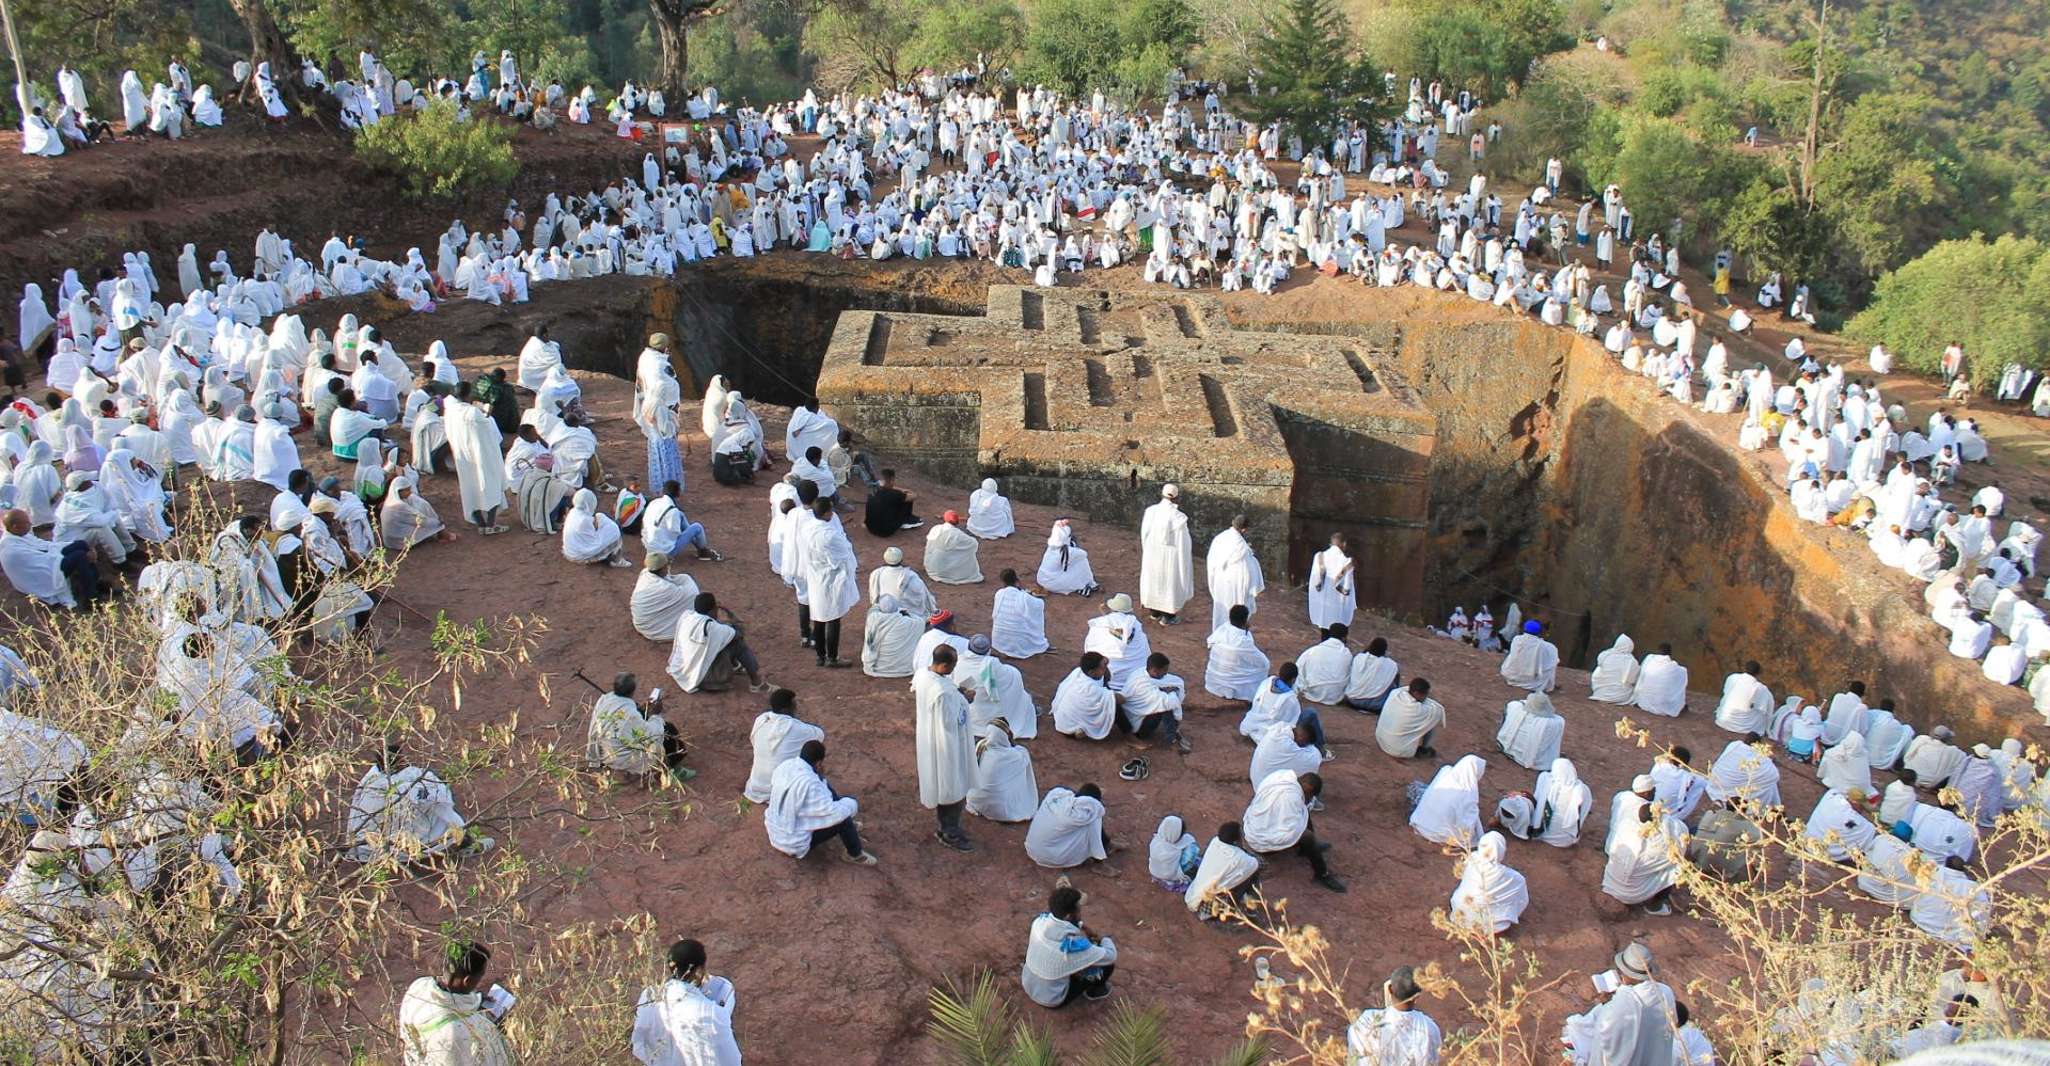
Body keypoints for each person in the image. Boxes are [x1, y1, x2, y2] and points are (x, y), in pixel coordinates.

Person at [397, 942, 513, 1066]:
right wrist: (494, 1026)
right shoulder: (454, 1034)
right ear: (467, 981)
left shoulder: (419, 986)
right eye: (479, 978)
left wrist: (476, 1005)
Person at [630, 939, 743, 1065]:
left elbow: (639, 1044)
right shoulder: (712, 1013)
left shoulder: (649, 995)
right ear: (699, 971)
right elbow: (730, 1061)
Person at [764, 740, 874, 865]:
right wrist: (851, 804)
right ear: (819, 762)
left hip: (775, 833)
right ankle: (854, 854)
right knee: (843, 818)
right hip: (793, 844)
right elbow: (833, 813)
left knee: (823, 785)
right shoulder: (811, 783)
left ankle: (849, 828)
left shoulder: (785, 766)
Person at [916, 645, 978, 851]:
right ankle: (949, 832)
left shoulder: (924, 675)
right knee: (952, 786)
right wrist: (964, 701)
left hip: (930, 738)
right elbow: (949, 722)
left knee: (944, 783)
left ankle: (946, 827)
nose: (954, 668)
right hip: (947, 745)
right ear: (943, 665)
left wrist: (957, 693)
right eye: (952, 665)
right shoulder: (942, 693)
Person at [1242, 769, 1345, 892]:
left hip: (1251, 826)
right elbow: (1292, 828)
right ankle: (1322, 874)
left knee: (1303, 812)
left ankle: (1307, 849)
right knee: (1307, 837)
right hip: (1261, 843)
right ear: (1309, 790)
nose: (1308, 800)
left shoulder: (1280, 776)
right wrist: (1305, 834)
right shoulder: (1292, 797)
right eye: (1310, 797)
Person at [1020, 885, 1117, 1007]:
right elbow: (1111, 955)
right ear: (1069, 916)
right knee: (1106, 965)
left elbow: (1065, 926)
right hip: (1052, 999)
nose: (1080, 912)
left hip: (1028, 983)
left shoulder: (1038, 923)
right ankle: (1095, 991)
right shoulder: (1072, 947)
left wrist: (1082, 926)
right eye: (1078, 910)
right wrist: (1103, 938)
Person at [586, 672, 692, 782]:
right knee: (668, 730)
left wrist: (643, 710)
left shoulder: (604, 700)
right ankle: (673, 769)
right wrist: (656, 714)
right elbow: (651, 735)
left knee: (654, 725)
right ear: (632, 691)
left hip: (604, 751)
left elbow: (622, 719)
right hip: (620, 758)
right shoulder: (631, 715)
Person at [667, 592, 770, 694]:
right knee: (737, 643)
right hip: (704, 680)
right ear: (713, 609)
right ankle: (757, 683)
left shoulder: (687, 616)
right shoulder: (712, 628)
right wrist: (729, 612)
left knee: (723, 638)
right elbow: (740, 632)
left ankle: (735, 666)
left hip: (682, 672)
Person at [799, 498, 860, 667]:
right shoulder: (830, 535)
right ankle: (832, 657)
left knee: (818, 618)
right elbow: (845, 554)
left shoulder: (807, 528)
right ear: (826, 513)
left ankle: (820, 656)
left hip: (815, 576)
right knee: (833, 618)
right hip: (832, 579)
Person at [1346, 965, 1442, 1066]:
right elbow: (1434, 1060)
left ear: (1390, 989)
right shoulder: (1429, 1028)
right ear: (1417, 995)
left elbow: (1355, 1054)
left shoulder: (1367, 1021)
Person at [444, 383, 508, 533]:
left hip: (464, 456)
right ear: (468, 394)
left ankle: (481, 524)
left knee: (470, 488)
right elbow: (489, 432)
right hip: (483, 455)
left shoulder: (451, 411)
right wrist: (488, 415)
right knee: (491, 485)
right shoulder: (473, 413)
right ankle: (490, 525)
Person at [1602, 804, 1688, 915]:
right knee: (1677, 865)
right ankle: (1655, 907)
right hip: (1634, 894)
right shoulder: (1662, 843)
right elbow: (1680, 847)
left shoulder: (1626, 826)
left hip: (1610, 884)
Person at [743, 688, 824, 803]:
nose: (796, 708)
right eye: (794, 704)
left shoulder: (761, 719)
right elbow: (820, 735)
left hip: (756, 786)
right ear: (787, 708)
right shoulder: (797, 728)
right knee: (812, 751)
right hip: (781, 792)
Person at [1449, 831, 1529, 934]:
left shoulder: (1471, 858)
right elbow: (1522, 898)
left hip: (1460, 910)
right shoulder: (1513, 877)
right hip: (1485, 920)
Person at [1138, 484, 1194, 623]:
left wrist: (1148, 550)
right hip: (1171, 556)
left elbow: (1144, 534)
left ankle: (1154, 612)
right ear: (1176, 498)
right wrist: (1184, 562)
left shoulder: (1151, 511)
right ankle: (1168, 616)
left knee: (1154, 580)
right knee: (1169, 582)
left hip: (1153, 552)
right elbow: (1183, 544)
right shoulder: (1179, 518)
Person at [1024, 783, 1113, 869]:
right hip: (1052, 857)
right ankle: (1098, 860)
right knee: (1094, 819)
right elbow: (1098, 810)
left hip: (1033, 849)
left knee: (1089, 817)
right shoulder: (1080, 816)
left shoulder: (1055, 794)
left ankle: (1106, 844)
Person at [967, 718, 1039, 822]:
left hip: (977, 803)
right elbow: (1021, 750)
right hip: (1003, 811)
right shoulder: (1016, 756)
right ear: (1005, 735)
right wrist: (1011, 741)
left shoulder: (980, 747)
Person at [1184, 822, 1261, 918]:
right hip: (1210, 906)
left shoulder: (1215, 841)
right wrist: (1242, 847)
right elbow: (1254, 864)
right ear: (1236, 840)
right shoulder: (1239, 858)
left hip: (1194, 895)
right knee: (1253, 874)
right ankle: (1251, 909)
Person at [1205, 514, 1265, 632]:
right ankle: (1235, 637)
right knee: (1237, 613)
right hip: (1237, 586)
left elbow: (1211, 562)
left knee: (1222, 612)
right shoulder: (1242, 547)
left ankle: (1219, 635)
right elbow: (1250, 570)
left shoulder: (1219, 539)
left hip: (1221, 583)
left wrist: (1213, 582)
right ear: (1244, 529)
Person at [1120, 652, 1190, 752]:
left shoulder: (1140, 672)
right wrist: (1173, 691)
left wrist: (1168, 691)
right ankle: (1171, 739)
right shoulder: (1143, 685)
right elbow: (1170, 702)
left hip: (1136, 718)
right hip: (1137, 728)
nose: (1166, 673)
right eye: (1164, 670)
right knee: (1167, 705)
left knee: (1166, 697)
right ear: (1154, 671)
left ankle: (1173, 733)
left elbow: (1171, 683)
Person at [1204, 603, 1270, 701]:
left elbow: (1209, 642)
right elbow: (1263, 662)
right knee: (1263, 668)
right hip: (1233, 683)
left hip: (1214, 682)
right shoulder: (1243, 642)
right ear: (1245, 620)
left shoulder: (1222, 629)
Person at [1083, 594, 1150, 690]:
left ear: (1111, 608)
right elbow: (1122, 635)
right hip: (1137, 682)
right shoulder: (1135, 624)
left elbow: (1089, 647)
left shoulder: (1100, 624)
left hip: (1107, 681)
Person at [630, 551, 701, 642]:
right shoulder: (665, 588)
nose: (668, 567)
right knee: (691, 592)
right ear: (663, 569)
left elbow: (669, 578)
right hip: (655, 631)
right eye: (666, 566)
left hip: (640, 624)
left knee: (684, 578)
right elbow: (690, 592)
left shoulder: (645, 573)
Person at [1052, 652, 1120, 740]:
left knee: (1106, 692)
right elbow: (1121, 699)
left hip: (1062, 722)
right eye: (1103, 667)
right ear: (1092, 672)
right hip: (1070, 727)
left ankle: (1078, 730)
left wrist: (1104, 662)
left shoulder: (1078, 672)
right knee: (1114, 704)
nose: (1106, 668)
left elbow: (1106, 669)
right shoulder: (1091, 688)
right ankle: (1129, 735)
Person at [1706, 735, 1783, 808]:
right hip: (1729, 794)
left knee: (1765, 781)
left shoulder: (1734, 745)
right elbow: (1774, 776)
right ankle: (1772, 808)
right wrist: (1768, 759)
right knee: (1770, 785)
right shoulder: (1760, 760)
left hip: (1715, 787)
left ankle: (1775, 808)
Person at [1377, 678, 1445, 759]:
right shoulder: (1416, 709)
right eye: (1425, 694)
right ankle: (1424, 748)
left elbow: (1403, 688)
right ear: (1416, 693)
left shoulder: (1395, 693)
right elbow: (1437, 710)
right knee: (1431, 718)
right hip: (1398, 750)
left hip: (1380, 740)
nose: (1426, 697)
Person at [562, 488, 631, 566]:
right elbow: (595, 529)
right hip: (581, 556)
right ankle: (617, 560)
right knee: (614, 530)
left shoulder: (573, 512)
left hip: (570, 552)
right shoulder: (585, 520)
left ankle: (607, 555)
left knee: (600, 517)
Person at [1497, 690, 1564, 770]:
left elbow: (1519, 702)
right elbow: (1558, 719)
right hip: (1529, 760)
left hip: (1504, 746)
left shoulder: (1514, 707)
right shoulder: (1554, 723)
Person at [860, 593, 922, 678]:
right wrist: (906, 613)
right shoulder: (908, 622)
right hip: (902, 669)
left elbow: (873, 608)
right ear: (897, 608)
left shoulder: (872, 618)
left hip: (876, 667)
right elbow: (920, 621)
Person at [990, 569, 1049, 658]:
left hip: (999, 642)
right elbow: (1039, 604)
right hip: (1020, 644)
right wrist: (1030, 595)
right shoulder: (1024, 597)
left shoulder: (999, 594)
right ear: (1017, 580)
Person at [868, 545, 937, 620]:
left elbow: (874, 596)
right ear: (901, 559)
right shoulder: (911, 575)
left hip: (885, 611)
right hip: (908, 615)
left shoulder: (876, 573)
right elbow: (922, 596)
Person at [1307, 532, 1356, 630]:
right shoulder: (1347, 562)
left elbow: (1315, 581)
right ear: (1344, 544)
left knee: (1324, 631)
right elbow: (1347, 588)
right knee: (1337, 630)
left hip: (1322, 604)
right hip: (1338, 607)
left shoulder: (1319, 557)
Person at [1295, 622, 1354, 704]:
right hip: (1336, 696)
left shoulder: (1313, 651)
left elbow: (1298, 668)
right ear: (1344, 638)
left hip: (1313, 693)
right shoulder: (1347, 654)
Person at [1036, 518, 1098, 595]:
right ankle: (1087, 584)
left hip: (1041, 579)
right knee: (1082, 561)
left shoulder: (1051, 547)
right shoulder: (1067, 550)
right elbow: (1084, 554)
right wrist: (1074, 546)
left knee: (1073, 560)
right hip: (1052, 584)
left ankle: (1084, 584)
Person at [924, 509, 983, 584]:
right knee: (966, 552)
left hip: (930, 567)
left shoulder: (935, 528)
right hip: (943, 572)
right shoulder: (957, 534)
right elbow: (974, 544)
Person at [1712, 662, 1773, 734]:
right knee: (1762, 712)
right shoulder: (1760, 688)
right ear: (1759, 673)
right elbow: (1765, 709)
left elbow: (1725, 692)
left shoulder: (1732, 677)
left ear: (1745, 668)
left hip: (1722, 720)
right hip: (1743, 726)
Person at [1344, 637, 1401, 713]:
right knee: (1393, 679)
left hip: (1352, 700)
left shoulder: (1359, 658)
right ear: (1385, 651)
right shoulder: (1391, 665)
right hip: (1376, 706)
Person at [1630, 644, 1689, 716]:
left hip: (1644, 703)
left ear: (1658, 651)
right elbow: (1682, 673)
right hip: (1662, 706)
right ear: (1670, 653)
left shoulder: (1649, 659)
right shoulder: (1673, 667)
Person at [1499, 620, 1558, 691]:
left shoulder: (1516, 639)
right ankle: (1549, 685)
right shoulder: (1547, 646)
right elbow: (1553, 662)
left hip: (1511, 677)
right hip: (1533, 683)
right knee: (1552, 660)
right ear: (1539, 632)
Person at [862, 468, 921, 535]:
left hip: (870, 528)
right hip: (885, 532)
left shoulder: (874, 492)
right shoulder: (895, 494)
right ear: (892, 480)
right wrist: (903, 490)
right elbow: (914, 496)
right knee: (906, 501)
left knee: (885, 505)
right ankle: (906, 520)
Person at [1589, 635, 1640, 703]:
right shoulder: (1631, 661)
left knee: (1598, 670)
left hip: (1599, 692)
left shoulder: (1605, 655)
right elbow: (1632, 680)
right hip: (1619, 696)